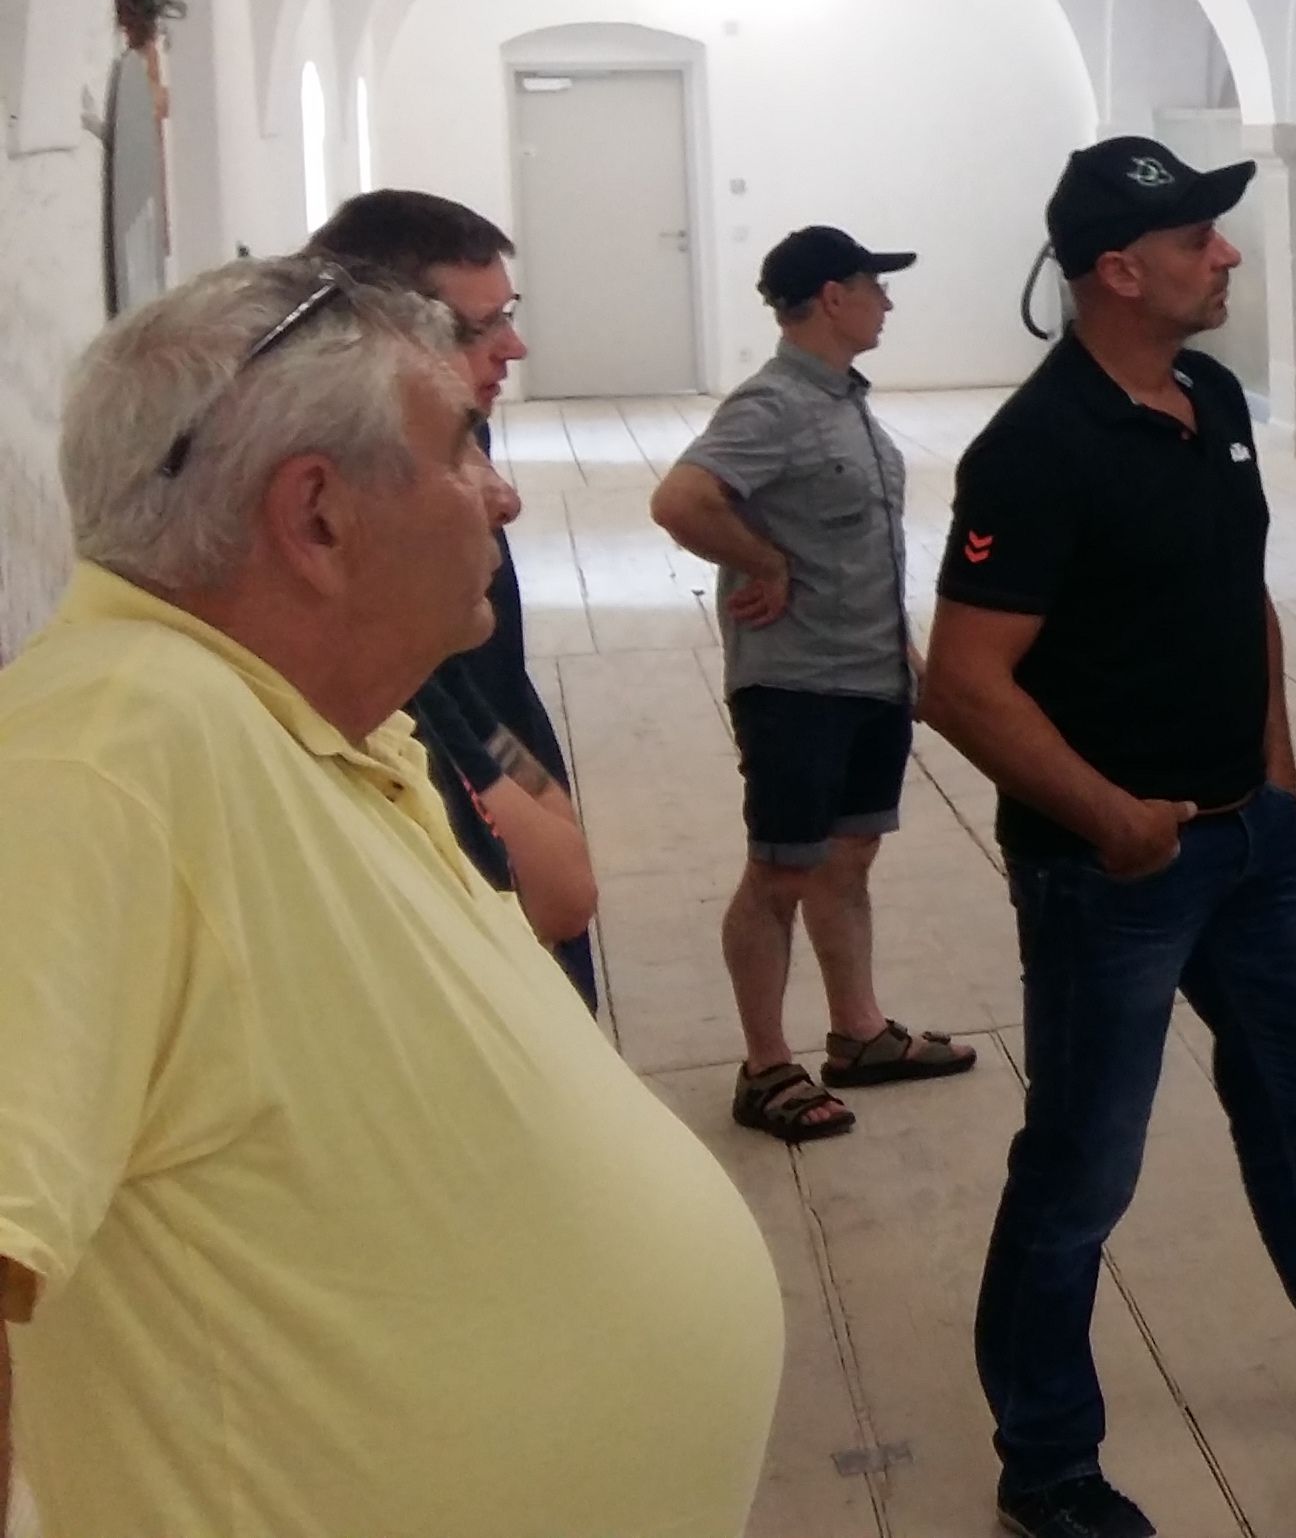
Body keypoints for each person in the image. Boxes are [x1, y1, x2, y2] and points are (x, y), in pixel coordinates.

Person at [0, 259, 777, 1534]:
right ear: (316, 516)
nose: (502, 493)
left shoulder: (316, 712)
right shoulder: (101, 756)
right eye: (462, 448)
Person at [929, 137, 1296, 1538]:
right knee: (1081, 1168)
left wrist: (1275, 780)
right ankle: (1047, 1462)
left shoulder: (1209, 398)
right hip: (1110, 874)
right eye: (1199, 238)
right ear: (1117, 271)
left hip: (1251, 842)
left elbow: (1237, 589)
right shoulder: (1034, 450)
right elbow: (960, 682)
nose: (1229, 254)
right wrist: (1113, 818)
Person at [652, 224, 975, 1144]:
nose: (887, 301)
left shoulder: (844, 400)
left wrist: (904, 657)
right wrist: (765, 562)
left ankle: (859, 1034)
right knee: (781, 869)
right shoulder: (775, 405)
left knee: (849, 855)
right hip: (797, 684)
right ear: (834, 297)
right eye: (876, 285)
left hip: (868, 673)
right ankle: (765, 1067)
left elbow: (860, 546)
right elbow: (681, 500)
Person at [309, 187, 600, 1000]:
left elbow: (485, 701)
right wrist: (527, 801)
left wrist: (528, 777)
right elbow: (559, 890)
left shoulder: (455, 431)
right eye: (482, 326)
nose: (514, 346)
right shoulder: (382, 534)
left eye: (510, 313)